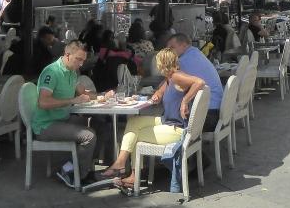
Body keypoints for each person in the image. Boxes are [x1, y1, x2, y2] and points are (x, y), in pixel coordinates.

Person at [101, 48, 206, 191]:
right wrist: (157, 95)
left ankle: (132, 175)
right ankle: (121, 163)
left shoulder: (176, 76)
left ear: (162, 63)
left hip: (177, 129)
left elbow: (199, 82)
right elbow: (160, 91)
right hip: (167, 121)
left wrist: (185, 101)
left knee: (135, 137)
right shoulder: (169, 78)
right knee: (133, 122)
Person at [32, 40, 102, 187]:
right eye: (79, 59)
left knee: (99, 124)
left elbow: (82, 92)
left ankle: (72, 168)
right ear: (67, 55)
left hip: (62, 119)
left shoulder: (72, 71)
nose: (81, 64)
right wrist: (73, 100)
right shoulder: (52, 71)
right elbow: (43, 102)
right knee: (88, 136)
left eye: (83, 60)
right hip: (46, 125)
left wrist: (103, 96)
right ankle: (78, 177)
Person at [164, 33, 223, 133]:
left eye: (172, 47)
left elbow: (171, 80)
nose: (169, 51)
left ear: (183, 45)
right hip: (218, 112)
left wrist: (185, 101)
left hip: (207, 117)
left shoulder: (182, 61)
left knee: (172, 116)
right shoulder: (196, 53)